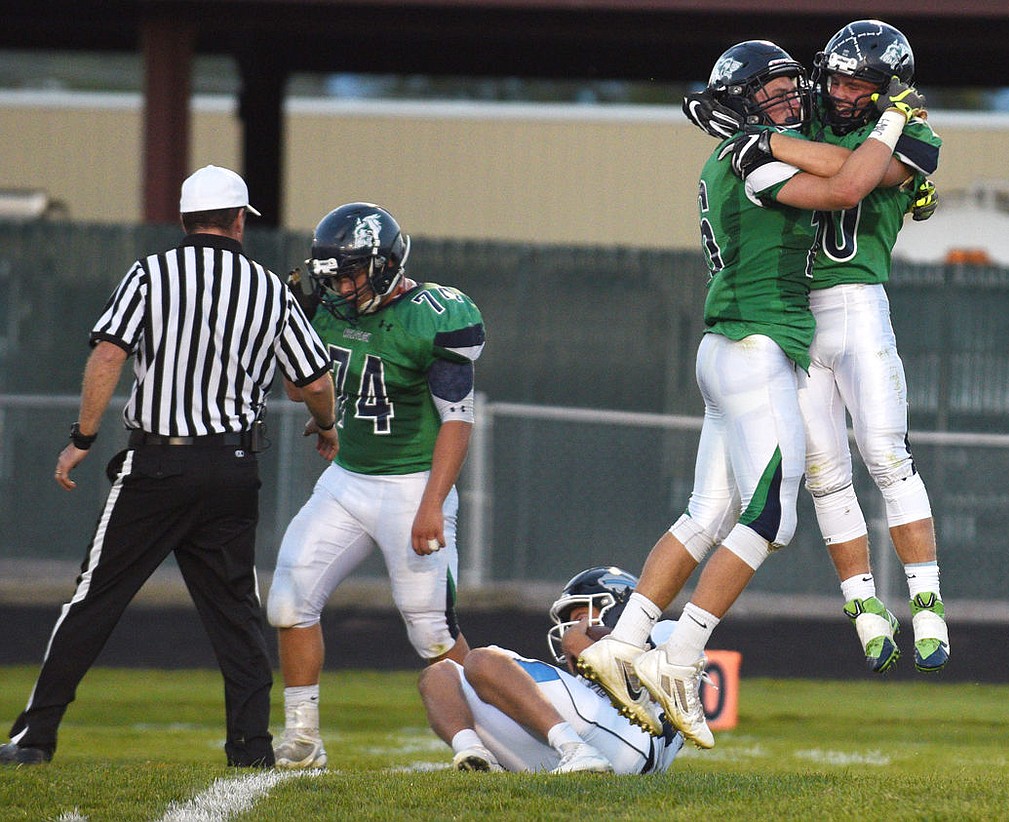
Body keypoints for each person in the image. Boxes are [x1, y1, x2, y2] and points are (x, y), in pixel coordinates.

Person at [577, 40, 925, 749]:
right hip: (756, 348)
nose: (788, 99)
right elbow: (843, 187)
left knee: (707, 513)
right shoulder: (748, 154)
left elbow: (845, 173)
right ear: (738, 103)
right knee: (771, 520)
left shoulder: (758, 145)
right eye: (767, 94)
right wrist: (890, 123)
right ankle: (680, 656)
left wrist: (863, 145)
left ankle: (624, 640)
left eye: (787, 87)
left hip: (735, 348)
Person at [0, 164, 337, 767]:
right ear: (239, 220)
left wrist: (82, 435)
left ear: (184, 219)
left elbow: (109, 353)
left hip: (157, 465)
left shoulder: (151, 274)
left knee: (93, 599)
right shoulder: (269, 288)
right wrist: (328, 426)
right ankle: (251, 747)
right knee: (236, 613)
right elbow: (313, 380)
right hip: (234, 467)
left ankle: (35, 739)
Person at [685, 20, 949, 676]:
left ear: (886, 86)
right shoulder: (816, 124)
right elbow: (847, 173)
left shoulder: (911, 131)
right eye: (832, 75)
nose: (837, 90)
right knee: (826, 474)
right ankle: (863, 608)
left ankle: (928, 604)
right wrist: (761, 134)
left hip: (857, 304)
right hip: (796, 318)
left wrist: (771, 140)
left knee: (887, 455)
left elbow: (865, 177)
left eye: (856, 81)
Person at [266, 202, 486, 769]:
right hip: (346, 481)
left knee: (433, 634)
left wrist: (433, 505)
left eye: (349, 272)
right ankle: (302, 736)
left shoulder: (433, 314)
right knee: (289, 599)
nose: (337, 286)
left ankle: (492, 732)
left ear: (384, 266)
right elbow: (298, 391)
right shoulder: (326, 309)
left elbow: (457, 420)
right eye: (330, 275)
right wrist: (298, 321)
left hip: (412, 484)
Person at [418, 566, 684, 774]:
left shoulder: (664, 630)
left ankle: (575, 748)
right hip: (583, 742)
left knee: (481, 661)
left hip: (634, 743)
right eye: (571, 623)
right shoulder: (582, 683)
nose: (572, 629)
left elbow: (648, 657)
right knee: (439, 674)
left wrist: (586, 639)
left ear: (622, 611)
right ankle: (475, 755)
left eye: (582, 617)